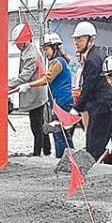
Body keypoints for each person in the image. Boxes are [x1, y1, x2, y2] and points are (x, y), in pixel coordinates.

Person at [21, 32, 76, 161]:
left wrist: (29, 85)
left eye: (46, 49)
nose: (45, 53)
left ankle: (62, 160)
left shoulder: (57, 62)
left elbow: (47, 79)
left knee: (59, 133)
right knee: (64, 133)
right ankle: (70, 159)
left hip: (61, 102)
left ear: (55, 47)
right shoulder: (59, 61)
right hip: (62, 101)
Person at [69, 21, 112, 159]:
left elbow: (88, 87)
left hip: (101, 106)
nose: (76, 42)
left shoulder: (92, 59)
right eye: (75, 39)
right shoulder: (98, 53)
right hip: (105, 104)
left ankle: (94, 170)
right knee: (103, 141)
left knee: (94, 143)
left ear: (90, 40)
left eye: (80, 39)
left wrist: (76, 108)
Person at [9, 24, 51, 157]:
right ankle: (47, 150)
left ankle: (37, 153)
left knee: (36, 125)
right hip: (36, 92)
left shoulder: (31, 54)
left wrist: (9, 84)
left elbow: (25, 75)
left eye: (19, 43)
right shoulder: (28, 50)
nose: (17, 45)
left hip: (36, 93)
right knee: (40, 122)